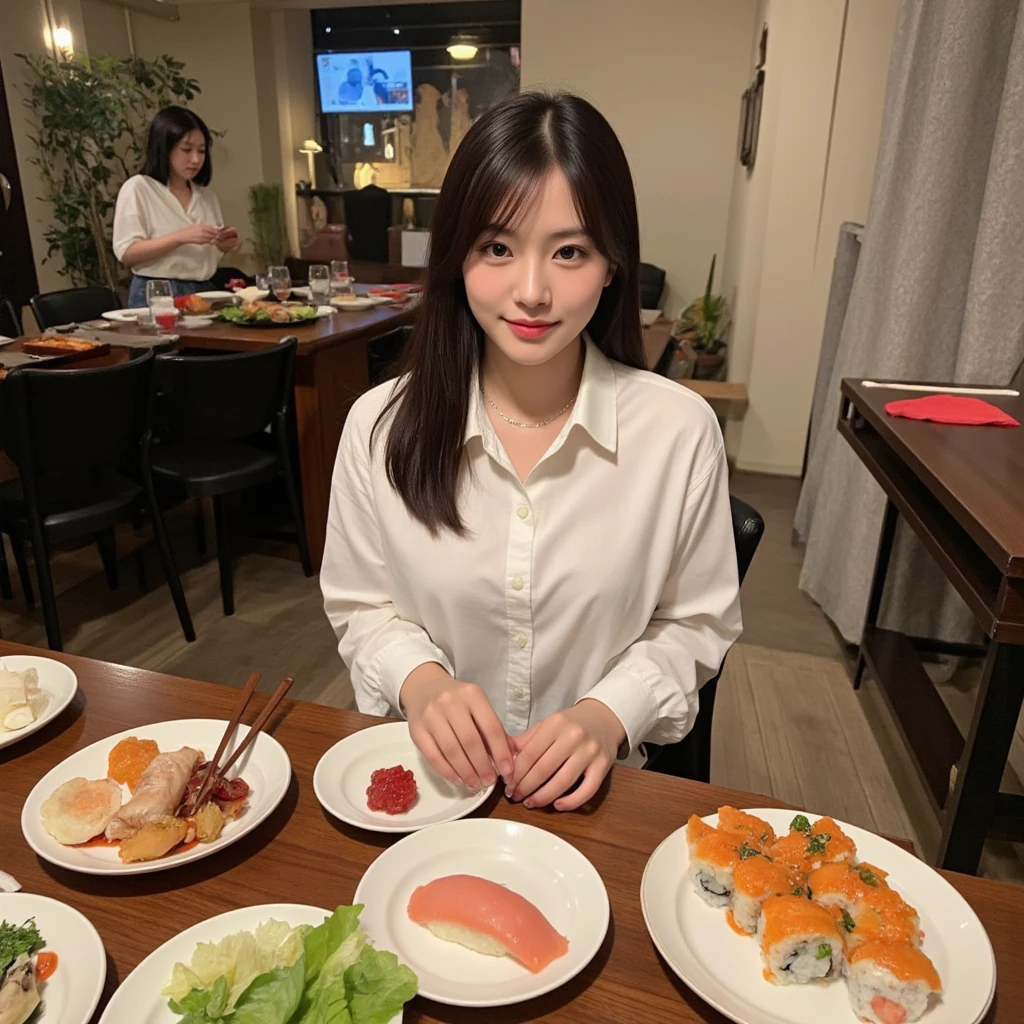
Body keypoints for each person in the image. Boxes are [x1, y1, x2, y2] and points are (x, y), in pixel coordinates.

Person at [321, 91, 741, 813]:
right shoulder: (378, 426)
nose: (532, 291)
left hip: (597, 800)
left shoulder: (679, 431)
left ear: (613, 264)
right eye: (497, 248)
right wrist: (419, 680)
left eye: (570, 251)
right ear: (457, 258)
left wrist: (609, 714)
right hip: (429, 792)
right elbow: (362, 605)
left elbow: (696, 623)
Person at [113, 106, 240, 307]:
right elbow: (127, 252)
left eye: (201, 150)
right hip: (157, 292)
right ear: (164, 147)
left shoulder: (206, 196)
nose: (196, 159)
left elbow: (206, 257)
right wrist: (181, 237)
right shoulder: (139, 188)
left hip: (203, 290)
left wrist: (223, 244)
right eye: (186, 150)